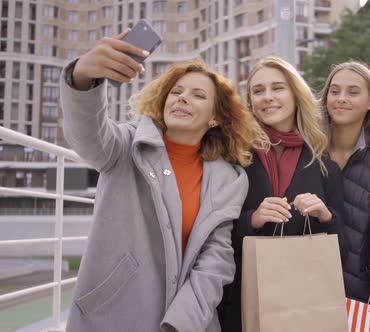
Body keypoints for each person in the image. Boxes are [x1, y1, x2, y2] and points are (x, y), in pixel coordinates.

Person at [60, 30, 268, 332]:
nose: (183, 98)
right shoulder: (126, 145)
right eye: (177, 92)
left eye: (198, 95)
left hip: (187, 322)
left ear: (215, 119)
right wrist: (82, 77)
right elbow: (88, 135)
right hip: (111, 316)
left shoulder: (229, 180)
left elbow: (217, 258)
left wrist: (181, 323)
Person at [219, 56, 346, 331]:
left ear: (295, 94)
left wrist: (326, 215)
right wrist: (251, 220)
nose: (267, 97)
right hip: (242, 299)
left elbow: (344, 248)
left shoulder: (323, 163)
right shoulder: (234, 157)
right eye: (258, 90)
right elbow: (211, 234)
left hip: (307, 303)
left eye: (277, 88)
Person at [319, 62, 370, 307]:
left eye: (353, 92)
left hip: (362, 297)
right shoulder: (307, 153)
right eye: (334, 91)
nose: (341, 99)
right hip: (307, 290)